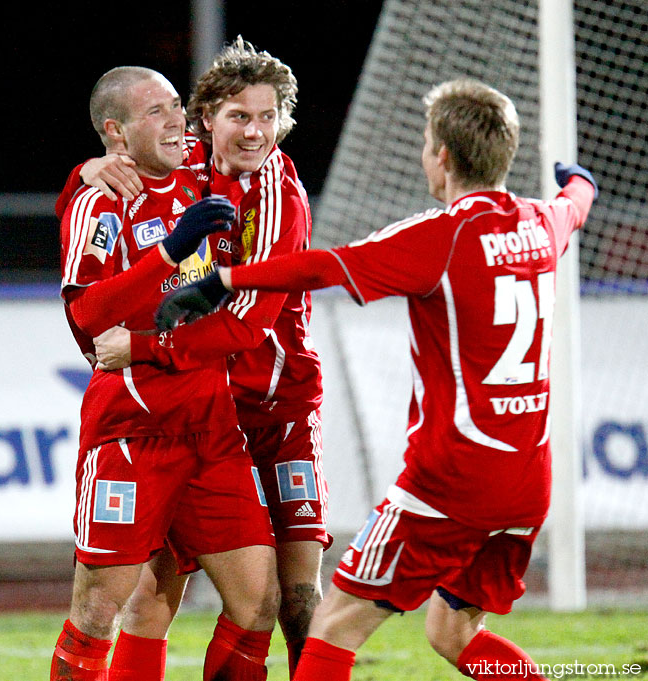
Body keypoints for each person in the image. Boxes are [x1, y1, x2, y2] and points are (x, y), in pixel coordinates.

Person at [156, 78, 598, 681]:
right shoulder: (542, 224)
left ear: (441, 156)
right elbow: (574, 207)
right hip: (528, 481)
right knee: (453, 631)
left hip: (453, 479)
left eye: (424, 142)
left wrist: (225, 282)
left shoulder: (439, 237)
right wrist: (581, 182)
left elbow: (326, 267)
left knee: (333, 628)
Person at [60, 38, 328, 680]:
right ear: (207, 121)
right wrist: (89, 173)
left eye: (267, 118)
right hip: (162, 416)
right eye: (238, 116)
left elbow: (246, 321)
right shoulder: (178, 183)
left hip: (259, 411)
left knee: (278, 596)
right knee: (134, 604)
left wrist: (148, 341)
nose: (255, 132)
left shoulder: (271, 193)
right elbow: (88, 312)